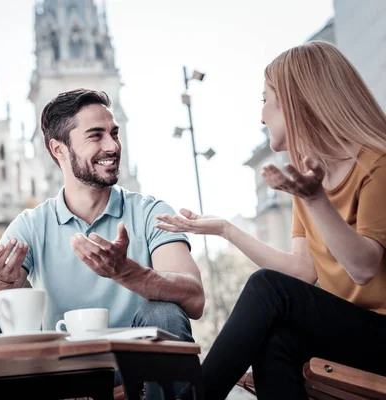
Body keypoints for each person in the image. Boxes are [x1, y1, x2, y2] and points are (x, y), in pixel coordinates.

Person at [155, 40, 386, 400]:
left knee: (266, 287)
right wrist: (225, 230)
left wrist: (315, 199)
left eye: (265, 99)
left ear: (298, 103)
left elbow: (363, 268)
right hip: (356, 332)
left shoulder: (377, 164)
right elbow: (302, 271)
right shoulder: (310, 179)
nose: (261, 115)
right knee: (275, 341)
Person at [0, 88, 205, 399]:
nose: (113, 146)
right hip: (58, 377)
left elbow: (195, 299)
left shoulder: (151, 212)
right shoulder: (31, 224)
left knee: (164, 314)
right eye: (96, 135)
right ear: (59, 149)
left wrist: (127, 273)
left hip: (138, 373)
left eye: (114, 133)